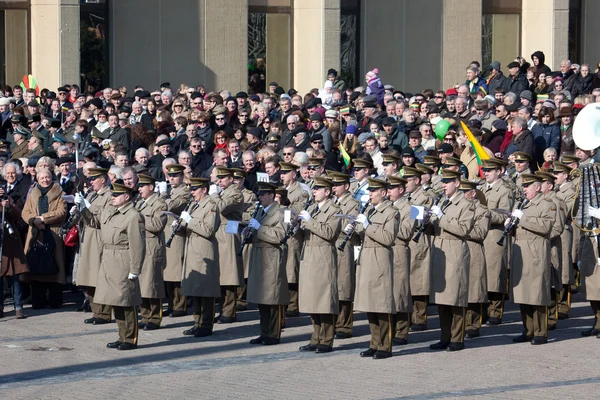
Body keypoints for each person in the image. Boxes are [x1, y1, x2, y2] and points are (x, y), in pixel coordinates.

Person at [77, 182, 146, 350]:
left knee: (126, 301)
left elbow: (138, 245)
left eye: (116, 195)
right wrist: (83, 209)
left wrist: (135, 269)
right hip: (108, 259)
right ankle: (122, 335)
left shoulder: (133, 216)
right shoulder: (110, 211)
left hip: (123, 259)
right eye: (113, 194)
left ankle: (130, 338)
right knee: (115, 301)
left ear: (127, 197)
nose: (113, 197)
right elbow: (94, 223)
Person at [428, 169, 475, 351]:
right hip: (441, 251)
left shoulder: (466, 204)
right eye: (443, 182)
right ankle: (445, 336)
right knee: (442, 299)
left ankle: (457, 338)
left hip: (455, 251)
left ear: (457, 183)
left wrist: (441, 217)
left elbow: (463, 229)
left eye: (447, 182)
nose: (443, 185)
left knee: (455, 298)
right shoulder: (443, 202)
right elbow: (437, 227)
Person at [351, 178, 398, 359]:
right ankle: (374, 342)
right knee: (370, 303)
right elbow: (364, 237)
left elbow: (387, 238)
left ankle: (385, 346)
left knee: (382, 304)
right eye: (369, 191)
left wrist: (367, 226)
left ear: (383, 193)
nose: (369, 194)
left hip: (380, 259)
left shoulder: (391, 212)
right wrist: (355, 230)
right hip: (367, 258)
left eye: (373, 191)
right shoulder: (370, 210)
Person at [297, 176, 341, 354]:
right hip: (309, 255)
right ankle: (315, 337)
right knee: (312, 300)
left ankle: (327, 339)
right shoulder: (313, 208)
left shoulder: (334, 209)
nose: (314, 192)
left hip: (323, 255)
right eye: (314, 189)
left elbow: (330, 233)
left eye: (318, 189)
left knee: (324, 300)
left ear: (327, 192)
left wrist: (309, 221)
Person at [510, 174, 554, 345]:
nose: (524, 189)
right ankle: (528, 329)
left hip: (536, 251)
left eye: (527, 186)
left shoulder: (547, 204)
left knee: (537, 294)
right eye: (523, 186)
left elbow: (545, 227)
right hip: (521, 251)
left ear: (537, 187)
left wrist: (523, 218)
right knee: (523, 293)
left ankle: (540, 332)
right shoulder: (522, 204)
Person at [245, 182, 289, 345]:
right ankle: (264, 332)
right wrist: (248, 233)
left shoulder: (284, 212)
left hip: (271, 256)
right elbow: (256, 233)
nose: (260, 197)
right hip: (258, 256)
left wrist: (259, 228)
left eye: (263, 194)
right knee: (261, 297)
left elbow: (280, 236)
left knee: (273, 298)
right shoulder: (259, 212)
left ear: (272, 195)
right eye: (259, 194)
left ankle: (274, 334)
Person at [179, 177, 221, 338]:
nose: (192, 192)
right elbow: (191, 227)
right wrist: (181, 224)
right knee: (195, 289)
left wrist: (190, 220)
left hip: (204, 249)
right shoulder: (194, 205)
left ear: (204, 189)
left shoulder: (210, 205)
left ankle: (206, 324)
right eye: (190, 189)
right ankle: (197, 322)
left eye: (194, 189)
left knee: (206, 291)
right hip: (193, 249)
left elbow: (208, 230)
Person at [22, 167, 67, 309]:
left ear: (51, 177)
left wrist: (43, 218)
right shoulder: (32, 193)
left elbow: (61, 212)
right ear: (37, 179)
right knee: (35, 266)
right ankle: (38, 300)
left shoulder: (60, 192)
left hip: (53, 233)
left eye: (47, 177)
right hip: (35, 233)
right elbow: (25, 212)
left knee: (55, 264)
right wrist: (33, 221)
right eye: (42, 178)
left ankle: (55, 300)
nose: (45, 180)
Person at [76, 167, 114, 324]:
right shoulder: (91, 194)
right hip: (87, 238)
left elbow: (102, 218)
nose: (90, 182)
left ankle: (104, 313)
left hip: (99, 238)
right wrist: (79, 207)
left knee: (99, 278)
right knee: (89, 278)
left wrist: (88, 206)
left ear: (103, 180)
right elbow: (87, 218)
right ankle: (96, 311)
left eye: (93, 179)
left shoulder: (109, 195)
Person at [481, 158, 515, 325]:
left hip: (495, 236)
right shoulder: (481, 188)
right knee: (483, 274)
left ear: (499, 171)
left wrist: (485, 214)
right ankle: (484, 309)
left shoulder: (504, 190)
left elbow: (504, 215)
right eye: (484, 170)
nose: (485, 173)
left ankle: (496, 310)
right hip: (481, 236)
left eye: (489, 170)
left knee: (495, 274)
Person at [211, 167, 244, 323]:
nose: (219, 181)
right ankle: (224, 309)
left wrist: (214, 195)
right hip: (220, 233)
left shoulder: (235, 192)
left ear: (231, 179)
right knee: (222, 275)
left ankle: (229, 311)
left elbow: (222, 207)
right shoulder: (223, 193)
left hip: (229, 233)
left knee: (230, 275)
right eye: (219, 178)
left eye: (223, 178)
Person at [535, 171, 567, 331]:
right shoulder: (538, 201)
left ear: (550, 185)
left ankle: (551, 318)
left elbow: (558, 227)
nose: (539, 186)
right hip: (537, 247)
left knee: (551, 282)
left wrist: (541, 235)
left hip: (550, 246)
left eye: (542, 183)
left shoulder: (557, 202)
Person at [330, 172, 359, 339]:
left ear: (346, 186)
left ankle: (345, 326)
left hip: (344, 244)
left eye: (337, 185)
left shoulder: (352, 203)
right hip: (332, 245)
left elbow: (350, 225)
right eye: (333, 185)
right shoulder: (333, 202)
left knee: (344, 286)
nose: (334, 188)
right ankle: (334, 323)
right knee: (333, 285)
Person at [136, 174, 167, 331]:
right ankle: (145, 315)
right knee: (142, 284)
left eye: (142, 186)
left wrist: (140, 217)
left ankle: (155, 318)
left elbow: (156, 225)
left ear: (151, 187)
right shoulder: (140, 203)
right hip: (141, 246)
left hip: (152, 246)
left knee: (152, 284)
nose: (139, 188)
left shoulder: (159, 203)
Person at [405, 166, 435, 331]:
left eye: (408, 180)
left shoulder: (424, 196)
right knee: (408, 280)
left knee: (418, 281)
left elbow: (419, 217)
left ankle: (420, 317)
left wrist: (406, 211)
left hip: (419, 240)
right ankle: (407, 316)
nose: (406, 184)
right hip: (407, 239)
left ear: (417, 181)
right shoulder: (407, 197)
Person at [280, 161, 310, 317]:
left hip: (293, 233)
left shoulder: (300, 191)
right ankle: (286, 301)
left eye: (285, 173)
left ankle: (293, 304)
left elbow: (298, 212)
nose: (282, 176)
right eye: (281, 173)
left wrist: (285, 206)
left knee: (292, 269)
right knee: (284, 269)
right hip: (282, 232)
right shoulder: (283, 189)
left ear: (293, 174)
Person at [460, 180, 490, 338]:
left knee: (474, 290)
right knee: (461, 289)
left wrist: (460, 230)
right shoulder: (457, 208)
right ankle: (460, 323)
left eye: (465, 192)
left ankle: (473, 324)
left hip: (473, 250)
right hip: (458, 251)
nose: (462, 195)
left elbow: (480, 232)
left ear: (473, 193)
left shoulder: (481, 210)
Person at [387, 175, 414, 346]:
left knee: (401, 292)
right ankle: (389, 330)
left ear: (401, 190)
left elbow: (406, 233)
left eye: (392, 188)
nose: (388, 191)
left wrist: (385, 229)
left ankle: (402, 332)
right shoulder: (387, 206)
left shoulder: (411, 208)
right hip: (386, 251)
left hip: (399, 250)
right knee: (389, 292)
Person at [162, 164, 191, 318]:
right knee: (168, 272)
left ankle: (180, 305)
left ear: (181, 177)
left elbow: (171, 205)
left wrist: (163, 195)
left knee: (177, 272)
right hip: (167, 233)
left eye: (175, 176)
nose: (171, 178)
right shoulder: (171, 191)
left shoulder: (184, 192)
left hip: (177, 234)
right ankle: (172, 304)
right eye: (170, 176)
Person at [0, 178, 28, 319]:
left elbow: (18, 216)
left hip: (11, 241)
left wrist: (8, 205)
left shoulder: (10, 198)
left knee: (15, 277)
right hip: (1, 244)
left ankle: (19, 307)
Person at [552, 162, 575, 319]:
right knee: (555, 267)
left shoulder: (571, 192)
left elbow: (564, 212)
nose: (554, 178)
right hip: (553, 232)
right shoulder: (555, 191)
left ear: (565, 175)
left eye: (557, 175)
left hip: (563, 232)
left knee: (564, 269)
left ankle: (563, 306)